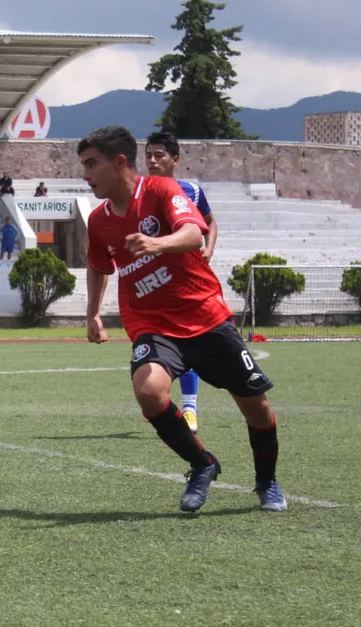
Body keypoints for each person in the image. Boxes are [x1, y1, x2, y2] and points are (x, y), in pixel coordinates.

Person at [78, 124, 284, 513]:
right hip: (152, 324)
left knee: (257, 408)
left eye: (91, 164)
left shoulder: (162, 191)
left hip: (205, 317)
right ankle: (202, 464)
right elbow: (97, 265)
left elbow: (193, 234)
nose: (85, 175)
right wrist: (93, 313)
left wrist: (157, 243)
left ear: (119, 162)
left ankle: (267, 482)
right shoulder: (99, 219)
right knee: (148, 391)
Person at [145, 131, 220, 434]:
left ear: (174, 160)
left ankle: (189, 407)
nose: (151, 161)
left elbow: (210, 222)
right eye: (148, 155)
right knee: (151, 346)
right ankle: (157, 400)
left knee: (185, 343)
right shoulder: (139, 192)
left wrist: (209, 249)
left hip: (186, 283)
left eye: (159, 155)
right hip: (151, 284)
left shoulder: (192, 191)